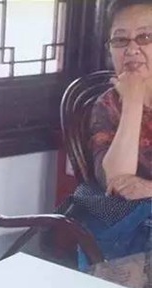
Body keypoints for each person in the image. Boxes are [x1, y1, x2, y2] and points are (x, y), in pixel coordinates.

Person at [78, 0, 152, 270]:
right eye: (120, 40)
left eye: (145, 37)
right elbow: (116, 181)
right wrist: (132, 102)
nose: (132, 49)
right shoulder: (107, 105)